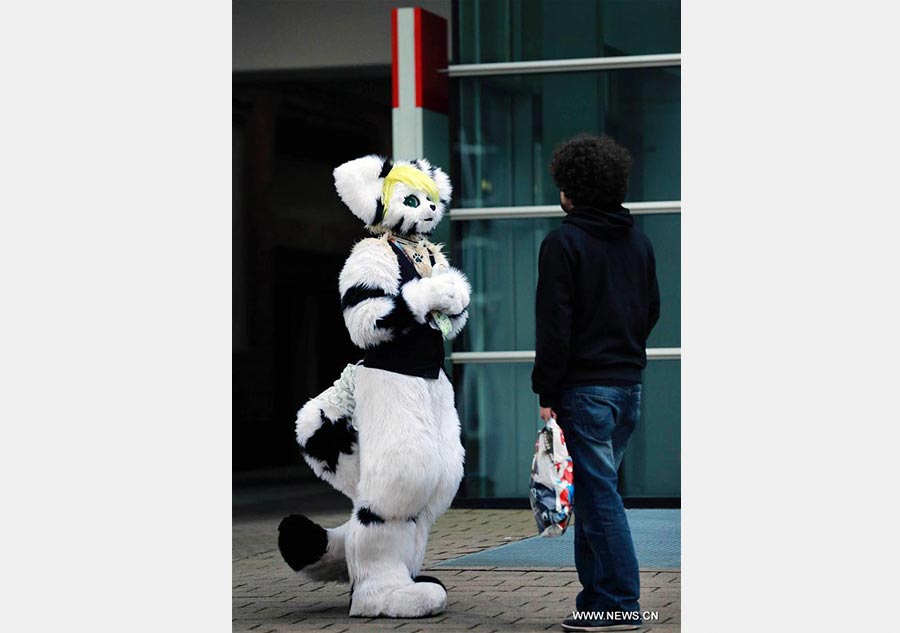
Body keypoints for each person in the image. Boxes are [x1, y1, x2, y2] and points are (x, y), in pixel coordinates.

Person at [532, 134, 660, 632]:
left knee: (600, 499)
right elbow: (651, 309)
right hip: (627, 389)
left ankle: (620, 605)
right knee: (591, 494)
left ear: (571, 190)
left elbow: (554, 326)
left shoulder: (562, 242)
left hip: (584, 391)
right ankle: (595, 601)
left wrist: (547, 391)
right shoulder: (639, 240)